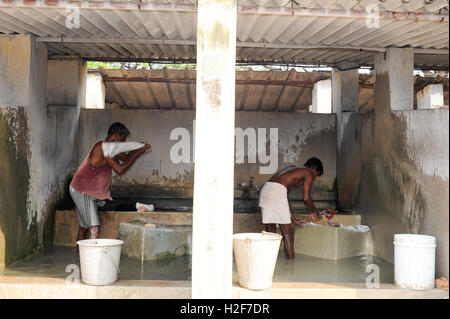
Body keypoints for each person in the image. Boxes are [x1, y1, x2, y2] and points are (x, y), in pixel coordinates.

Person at [69, 122, 151, 247]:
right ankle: (92, 259)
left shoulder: (111, 148)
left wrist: (141, 148)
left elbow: (126, 158)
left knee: (84, 228)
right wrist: (139, 151)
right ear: (115, 137)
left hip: (83, 190)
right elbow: (120, 169)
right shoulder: (103, 147)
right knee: (94, 227)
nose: (123, 144)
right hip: (83, 191)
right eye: (122, 140)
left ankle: (79, 257)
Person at [258, 157, 324, 258]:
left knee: (270, 234)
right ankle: (290, 267)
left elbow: (284, 197)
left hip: (266, 189)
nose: (314, 178)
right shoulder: (309, 172)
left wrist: (292, 218)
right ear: (314, 169)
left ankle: (268, 262)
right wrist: (315, 211)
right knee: (287, 235)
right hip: (277, 191)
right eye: (316, 175)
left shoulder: (292, 169)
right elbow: (306, 198)